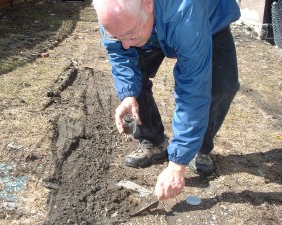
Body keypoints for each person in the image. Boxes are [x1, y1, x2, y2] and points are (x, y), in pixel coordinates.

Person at [92, 0, 240, 200]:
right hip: (146, 22)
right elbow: (120, 52)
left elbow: (193, 90)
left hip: (206, 20)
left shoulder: (186, 11)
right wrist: (128, 94)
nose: (125, 43)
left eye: (129, 35)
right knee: (135, 75)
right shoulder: (113, 11)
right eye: (118, 36)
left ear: (147, 4)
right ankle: (154, 141)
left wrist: (177, 164)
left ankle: (198, 147)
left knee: (222, 85)